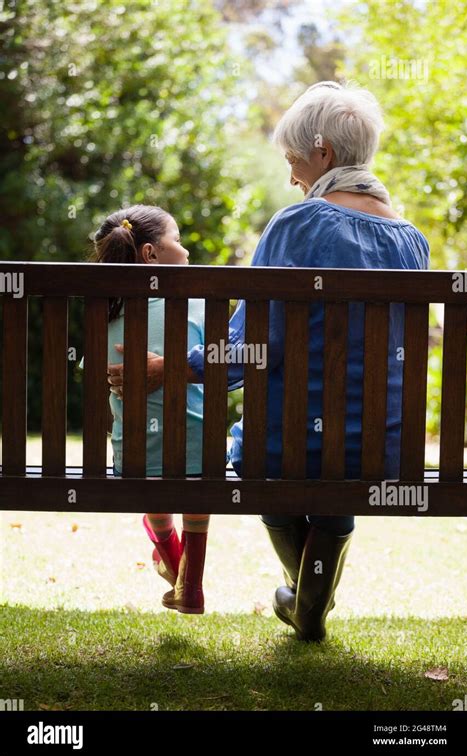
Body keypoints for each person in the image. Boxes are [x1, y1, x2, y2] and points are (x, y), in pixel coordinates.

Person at [108, 83, 430, 641]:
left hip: (287, 450)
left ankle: (304, 603)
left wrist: (171, 368)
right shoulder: (412, 242)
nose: (291, 178)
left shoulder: (296, 225)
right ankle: (304, 604)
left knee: (256, 449)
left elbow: (252, 348)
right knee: (336, 462)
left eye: (292, 160)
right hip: (385, 450)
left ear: (323, 152)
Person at [92, 204, 209, 614]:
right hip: (200, 457)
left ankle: (176, 567)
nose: (187, 251)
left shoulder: (104, 310)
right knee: (194, 462)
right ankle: (190, 582)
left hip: (135, 460)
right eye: (178, 240)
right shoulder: (198, 301)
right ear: (150, 255)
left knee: (150, 463)